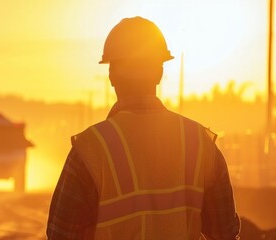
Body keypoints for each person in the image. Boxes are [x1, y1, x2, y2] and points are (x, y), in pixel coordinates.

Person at [46, 17, 240, 239]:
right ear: (159, 73)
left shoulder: (91, 149)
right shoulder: (199, 143)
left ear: (111, 76)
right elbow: (225, 233)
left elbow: (60, 234)